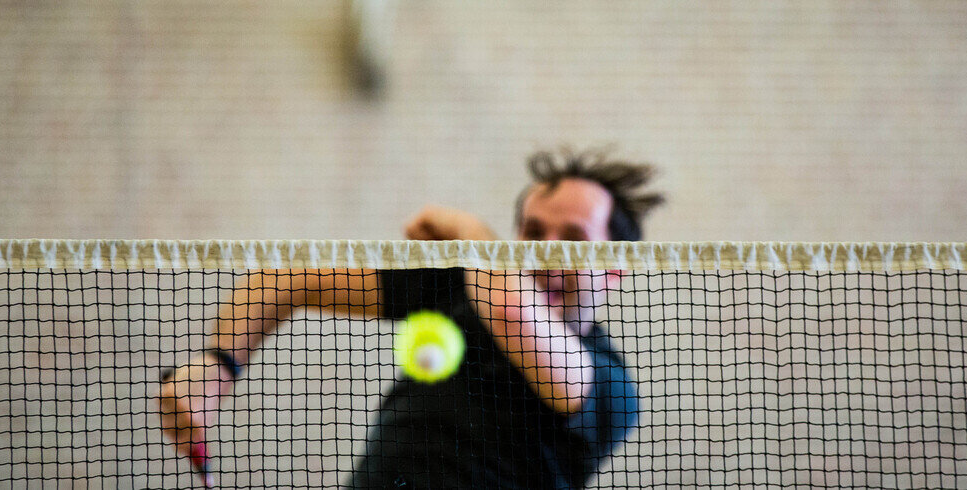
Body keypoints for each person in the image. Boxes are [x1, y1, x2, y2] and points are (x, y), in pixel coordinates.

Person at [159, 147, 664, 488]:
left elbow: (512, 311)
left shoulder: (609, 387)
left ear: (615, 268)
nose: (545, 253)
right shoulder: (460, 286)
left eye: (574, 240)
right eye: (532, 233)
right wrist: (218, 363)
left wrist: (468, 228)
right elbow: (285, 276)